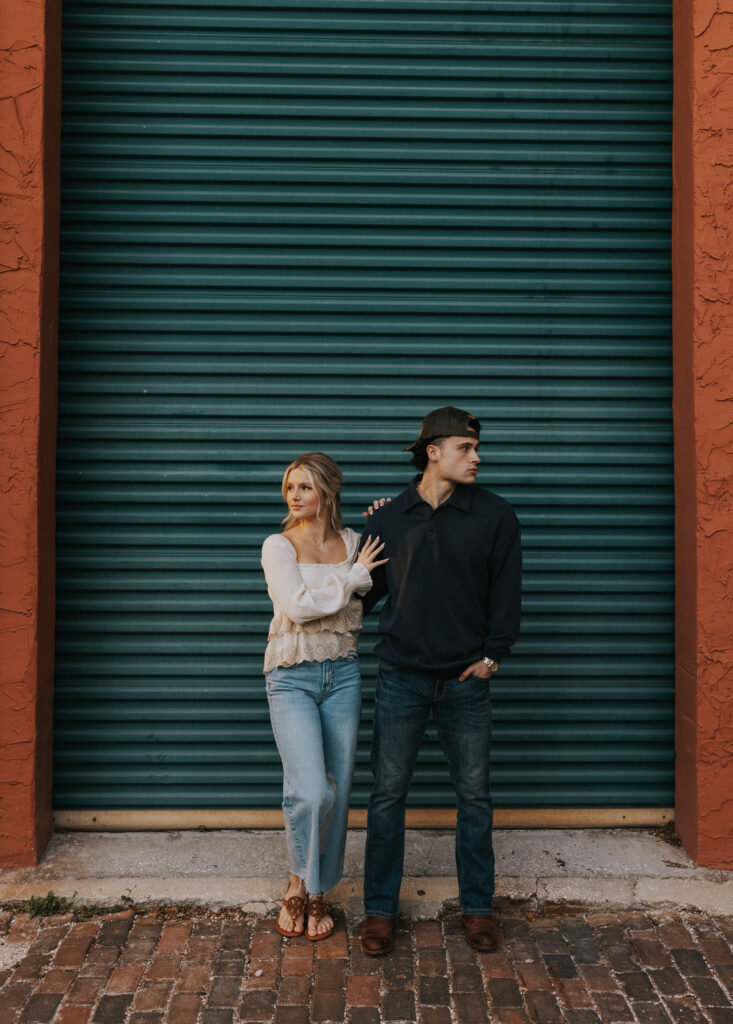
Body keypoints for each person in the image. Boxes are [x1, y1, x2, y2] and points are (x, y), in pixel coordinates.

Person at [358, 406, 522, 955]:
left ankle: (477, 909)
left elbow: (507, 593)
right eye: (465, 448)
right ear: (433, 452)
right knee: (386, 797)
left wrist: (493, 658)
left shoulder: (495, 514)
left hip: (464, 680)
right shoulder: (389, 517)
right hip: (401, 677)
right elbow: (364, 594)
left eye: (477, 449)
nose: (477, 458)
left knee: (474, 798)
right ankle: (379, 911)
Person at [260, 452, 387, 940]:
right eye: (290, 486)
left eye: (305, 487)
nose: (294, 496)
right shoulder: (279, 546)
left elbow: (398, 552)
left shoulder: (355, 542)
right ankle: (298, 879)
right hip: (291, 675)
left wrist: (385, 514)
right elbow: (297, 606)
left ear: (328, 493)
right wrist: (350, 580)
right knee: (310, 791)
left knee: (337, 791)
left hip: (344, 675)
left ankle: (317, 890)